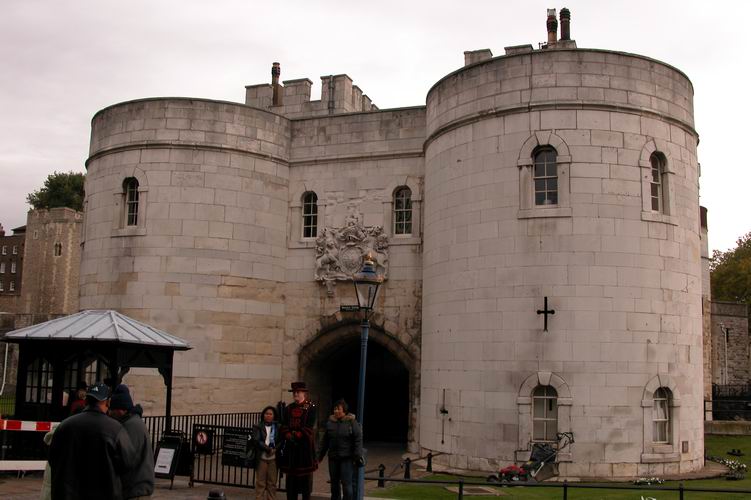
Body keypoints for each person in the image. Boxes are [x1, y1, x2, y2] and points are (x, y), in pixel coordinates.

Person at [49, 382, 136, 500]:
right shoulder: (115, 429)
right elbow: (128, 463)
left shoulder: (64, 426)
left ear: (87, 400)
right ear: (108, 401)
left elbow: (52, 459)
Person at [108, 384, 155, 499]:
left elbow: (126, 459)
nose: (109, 413)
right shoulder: (132, 422)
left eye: (112, 409)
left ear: (119, 410)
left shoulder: (131, 426)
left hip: (136, 491)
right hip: (137, 489)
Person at [278, 381, 318, 500]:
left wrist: (297, 435)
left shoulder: (311, 407)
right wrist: (288, 435)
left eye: (297, 392)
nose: (295, 394)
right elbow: (284, 425)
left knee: (305, 482)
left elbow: (309, 427)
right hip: (291, 449)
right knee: (291, 482)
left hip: (304, 448)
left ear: (304, 393)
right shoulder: (289, 408)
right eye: (294, 392)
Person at [318, 399, 363, 500]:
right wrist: (319, 456)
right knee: (334, 485)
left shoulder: (352, 422)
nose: (336, 411)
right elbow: (324, 442)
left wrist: (357, 455)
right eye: (334, 409)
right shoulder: (330, 423)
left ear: (344, 410)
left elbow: (358, 439)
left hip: (347, 458)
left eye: (338, 409)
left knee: (347, 486)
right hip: (333, 458)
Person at [253, 405, 280, 500]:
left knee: (272, 483)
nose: (268, 415)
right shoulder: (257, 426)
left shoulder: (277, 427)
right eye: (266, 413)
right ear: (263, 415)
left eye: (270, 414)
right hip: (262, 458)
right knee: (260, 483)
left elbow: (281, 440)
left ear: (274, 416)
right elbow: (256, 440)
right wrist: (268, 449)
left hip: (273, 459)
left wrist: (275, 449)